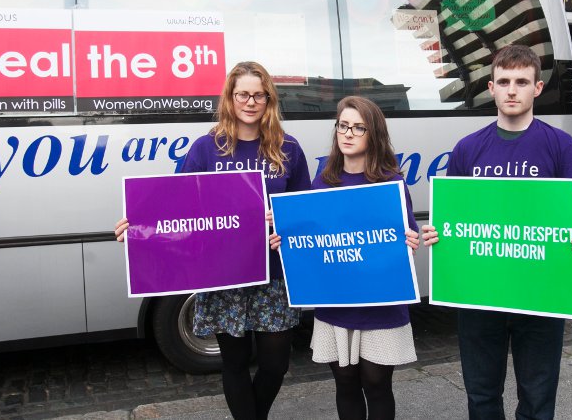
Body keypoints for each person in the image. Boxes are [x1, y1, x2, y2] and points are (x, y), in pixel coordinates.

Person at [115, 61, 311, 420]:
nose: (250, 102)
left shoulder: (288, 149)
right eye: (242, 95)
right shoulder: (207, 148)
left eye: (258, 95)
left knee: (275, 364)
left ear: (269, 99)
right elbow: (176, 205)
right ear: (230, 99)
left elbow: (306, 210)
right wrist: (139, 228)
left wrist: (286, 221)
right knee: (234, 363)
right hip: (224, 277)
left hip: (275, 275)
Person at [421, 44, 572, 420]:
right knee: (481, 395)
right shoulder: (468, 149)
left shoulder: (559, 145)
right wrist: (439, 235)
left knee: (537, 396)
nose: (512, 90)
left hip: (540, 294)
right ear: (491, 87)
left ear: (537, 88)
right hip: (479, 296)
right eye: (504, 81)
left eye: (522, 81)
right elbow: (455, 216)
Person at [270, 96, 420, 420]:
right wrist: (285, 239)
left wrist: (413, 239)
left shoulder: (390, 182)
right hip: (336, 303)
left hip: (380, 304)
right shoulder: (323, 181)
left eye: (358, 127)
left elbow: (410, 231)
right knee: (346, 384)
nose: (348, 133)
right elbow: (309, 238)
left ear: (373, 134)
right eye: (343, 125)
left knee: (377, 383)